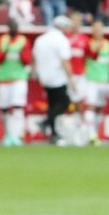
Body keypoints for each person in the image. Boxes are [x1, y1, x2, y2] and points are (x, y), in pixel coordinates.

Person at [70, 18, 109, 146]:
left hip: (104, 81)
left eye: (100, 29)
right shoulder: (88, 43)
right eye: (96, 29)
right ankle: (91, 134)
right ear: (92, 30)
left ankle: (95, 133)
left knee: (99, 108)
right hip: (91, 80)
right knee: (90, 106)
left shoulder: (108, 44)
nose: (98, 31)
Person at [33, 14, 75, 145]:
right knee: (64, 103)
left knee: (52, 104)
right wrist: (71, 79)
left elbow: (34, 58)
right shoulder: (62, 40)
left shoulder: (41, 39)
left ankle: (54, 134)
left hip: (44, 77)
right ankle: (45, 121)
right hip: (57, 77)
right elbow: (65, 61)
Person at [0, 25, 30, 145]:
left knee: (17, 107)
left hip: (19, 78)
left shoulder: (24, 41)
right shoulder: (1, 40)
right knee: (4, 109)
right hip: (4, 78)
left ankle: (17, 135)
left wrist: (20, 51)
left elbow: (27, 60)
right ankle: (7, 134)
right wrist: (7, 49)